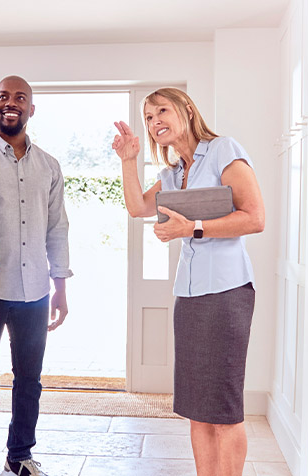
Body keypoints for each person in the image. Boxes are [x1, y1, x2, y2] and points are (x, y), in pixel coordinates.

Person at [112, 87, 265, 476]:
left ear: (187, 110)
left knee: (224, 411)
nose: (154, 121)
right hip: (190, 297)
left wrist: (193, 228)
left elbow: (254, 217)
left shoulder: (223, 151)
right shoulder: (171, 173)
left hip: (228, 293)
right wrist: (129, 161)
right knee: (198, 410)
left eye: (162, 110)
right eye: (148, 117)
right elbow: (137, 208)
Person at [0, 75, 72, 476]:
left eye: (20, 98)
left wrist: (59, 289)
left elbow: (57, 228)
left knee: (30, 380)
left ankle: (20, 455)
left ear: (31, 108)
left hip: (36, 293)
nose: (11, 103)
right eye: (3, 97)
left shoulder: (49, 166)